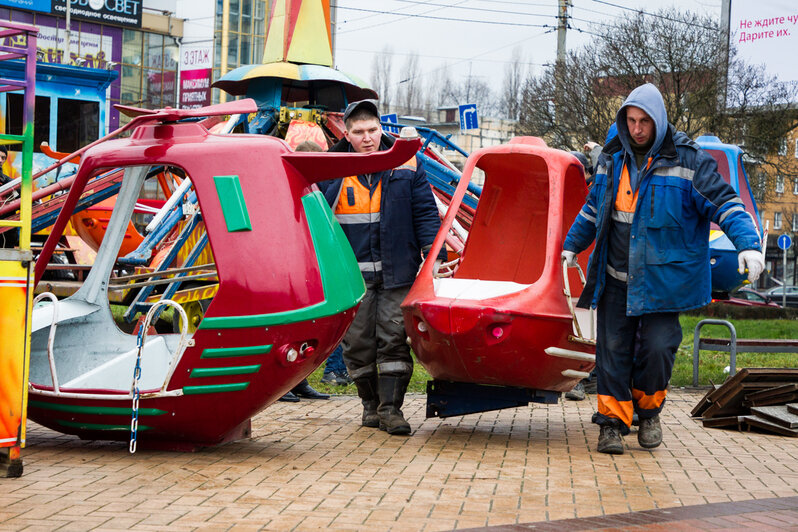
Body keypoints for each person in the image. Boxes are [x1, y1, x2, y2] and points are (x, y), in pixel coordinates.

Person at [561, 83, 764, 455]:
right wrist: (572, 245)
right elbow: (593, 209)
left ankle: (649, 413)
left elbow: (725, 203)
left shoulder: (689, 161)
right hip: (616, 280)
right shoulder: (611, 159)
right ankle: (611, 424)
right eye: (631, 121)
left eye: (644, 122)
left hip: (662, 285)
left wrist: (748, 244)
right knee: (613, 354)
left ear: (659, 122)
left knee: (658, 349)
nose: (637, 129)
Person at [317, 99, 444, 435]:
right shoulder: (329, 167)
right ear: (347, 133)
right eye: (359, 132)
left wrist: (434, 254)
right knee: (358, 344)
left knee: (392, 340)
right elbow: (315, 220)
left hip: (396, 272)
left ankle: (391, 410)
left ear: (380, 127)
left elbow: (425, 212)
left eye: (372, 130)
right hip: (351, 278)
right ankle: (370, 407)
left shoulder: (405, 162)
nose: (367, 138)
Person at [278, 139, 332, 403]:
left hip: (308, 266)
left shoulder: (313, 187)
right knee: (285, 328)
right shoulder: (282, 187)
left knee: (304, 327)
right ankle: (280, 383)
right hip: (287, 268)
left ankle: (299, 380)